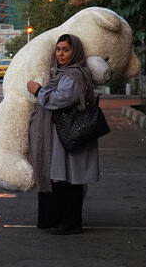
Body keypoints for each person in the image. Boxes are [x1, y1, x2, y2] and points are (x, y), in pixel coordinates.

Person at [26, 34, 97, 235]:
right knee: (60, 177)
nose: (61, 54)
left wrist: (39, 91)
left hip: (69, 134)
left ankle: (71, 222)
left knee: (69, 178)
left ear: (75, 52)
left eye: (66, 50)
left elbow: (60, 99)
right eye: (58, 49)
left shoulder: (74, 74)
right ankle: (57, 219)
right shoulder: (61, 73)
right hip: (60, 134)